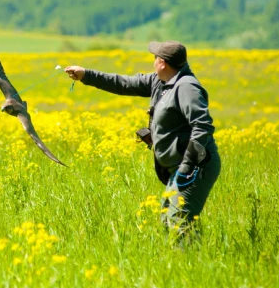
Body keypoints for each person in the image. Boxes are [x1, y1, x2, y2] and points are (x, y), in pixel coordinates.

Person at [65, 41, 221, 237]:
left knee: (179, 223)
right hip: (180, 167)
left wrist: (187, 165)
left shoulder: (187, 87)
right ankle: (183, 262)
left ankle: (193, 261)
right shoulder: (160, 81)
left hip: (195, 168)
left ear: (162, 63)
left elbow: (203, 125)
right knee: (169, 220)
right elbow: (123, 83)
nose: (153, 61)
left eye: (155, 58)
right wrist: (86, 75)